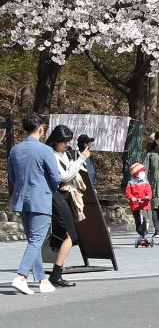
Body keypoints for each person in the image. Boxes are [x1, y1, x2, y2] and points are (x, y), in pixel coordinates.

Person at [8, 112, 62, 295]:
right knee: (36, 241)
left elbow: (12, 177)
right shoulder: (45, 150)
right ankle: (21, 276)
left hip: (22, 199)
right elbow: (55, 177)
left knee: (33, 241)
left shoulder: (15, 150)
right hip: (40, 198)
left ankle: (42, 280)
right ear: (40, 129)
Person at [46, 125, 87, 288]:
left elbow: (70, 174)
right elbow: (63, 175)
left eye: (68, 141)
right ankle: (55, 274)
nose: (66, 144)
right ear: (55, 140)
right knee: (71, 235)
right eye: (63, 141)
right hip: (56, 195)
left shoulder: (64, 154)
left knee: (66, 235)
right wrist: (81, 159)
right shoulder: (51, 154)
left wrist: (69, 180)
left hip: (65, 194)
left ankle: (57, 273)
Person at [126, 163, 153, 245]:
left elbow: (149, 192)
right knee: (138, 221)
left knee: (144, 220)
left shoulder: (146, 182)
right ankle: (140, 233)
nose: (143, 173)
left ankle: (145, 233)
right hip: (135, 205)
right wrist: (132, 198)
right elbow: (128, 193)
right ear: (136, 173)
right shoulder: (130, 183)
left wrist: (148, 197)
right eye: (142, 171)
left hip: (144, 204)